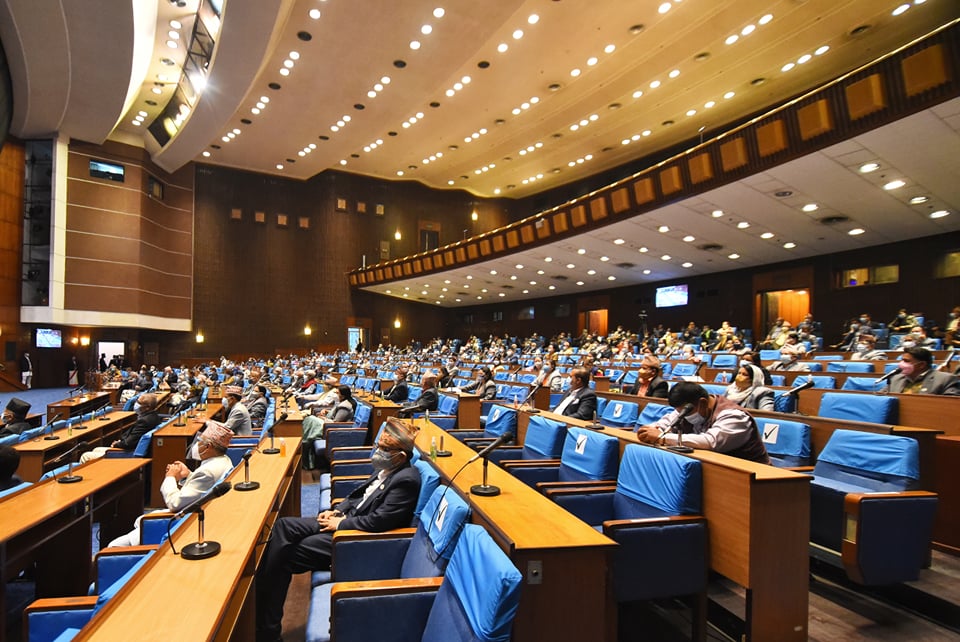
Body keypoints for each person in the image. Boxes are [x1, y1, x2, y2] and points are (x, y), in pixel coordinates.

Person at [256, 418, 421, 642]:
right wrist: (336, 511)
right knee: (283, 527)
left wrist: (341, 524)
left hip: (354, 539)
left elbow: (380, 522)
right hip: (346, 520)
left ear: (400, 456)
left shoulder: (407, 480)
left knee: (285, 553)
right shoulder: (388, 469)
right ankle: (264, 614)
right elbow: (359, 496)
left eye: (384, 449)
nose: (377, 452)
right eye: (378, 446)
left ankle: (265, 622)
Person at [107, 421, 234, 547]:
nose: (196, 445)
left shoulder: (207, 471)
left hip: (180, 523)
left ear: (208, 447)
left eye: (200, 441)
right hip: (196, 515)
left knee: (114, 546)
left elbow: (175, 503)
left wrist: (170, 477)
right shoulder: (223, 461)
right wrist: (188, 475)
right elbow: (202, 490)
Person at [637, 382, 771, 464]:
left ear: (703, 403)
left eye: (685, 412)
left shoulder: (735, 416)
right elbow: (668, 421)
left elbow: (710, 442)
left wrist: (662, 437)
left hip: (756, 479)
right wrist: (654, 428)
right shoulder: (688, 409)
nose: (683, 416)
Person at [80, 393, 161, 462]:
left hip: (129, 452)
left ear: (147, 407)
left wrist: (117, 444)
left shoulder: (144, 421)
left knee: (85, 456)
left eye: (139, 403)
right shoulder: (154, 416)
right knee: (96, 449)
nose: (136, 405)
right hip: (133, 448)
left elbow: (128, 443)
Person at [302, 385, 357, 469]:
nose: (335, 394)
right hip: (328, 424)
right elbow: (335, 413)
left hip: (332, 429)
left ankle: (305, 449)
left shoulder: (345, 406)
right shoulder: (341, 402)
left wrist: (323, 418)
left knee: (310, 419)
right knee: (310, 419)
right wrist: (327, 411)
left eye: (337, 393)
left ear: (343, 395)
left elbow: (336, 423)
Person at [884, 347, 960, 395]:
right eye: (902, 360)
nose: (901, 364)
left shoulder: (945, 379)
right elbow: (881, 399)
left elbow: (950, 405)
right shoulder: (895, 379)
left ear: (922, 365)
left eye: (906, 361)